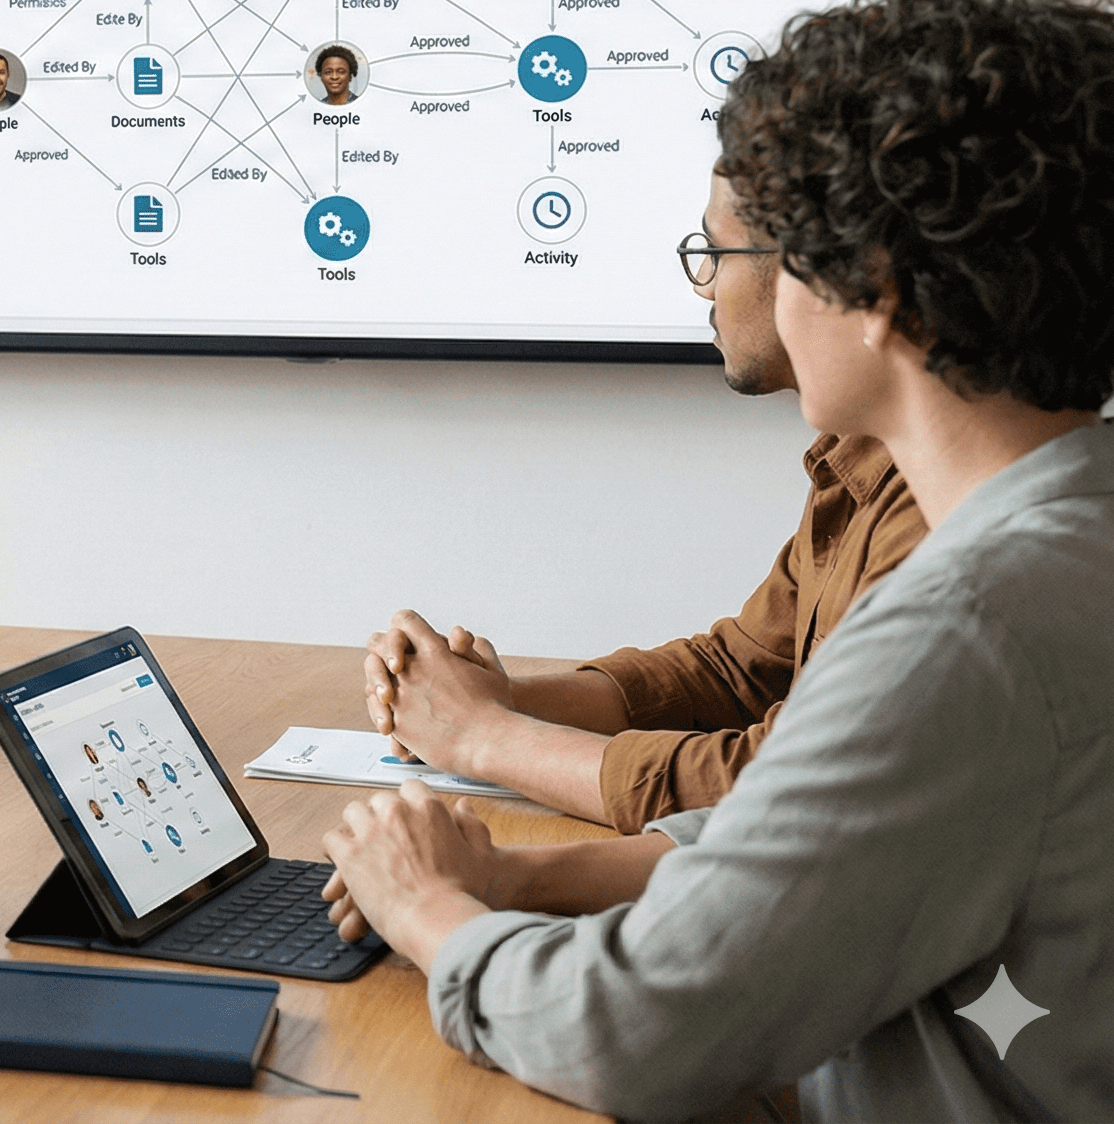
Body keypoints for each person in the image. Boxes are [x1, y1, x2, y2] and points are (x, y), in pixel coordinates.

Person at [320, 0, 1114, 1120]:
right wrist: (514, 874)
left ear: (874, 289)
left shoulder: (964, 633)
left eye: (780, 253)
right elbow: (818, 858)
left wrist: (428, 912)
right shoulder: (1070, 539)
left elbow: (640, 1034)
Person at [362, 167, 927, 831]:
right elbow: (741, 673)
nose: (704, 286)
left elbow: (779, 789)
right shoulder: (858, 458)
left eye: (716, 253)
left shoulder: (936, 509)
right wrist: (497, 703)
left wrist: (487, 737)